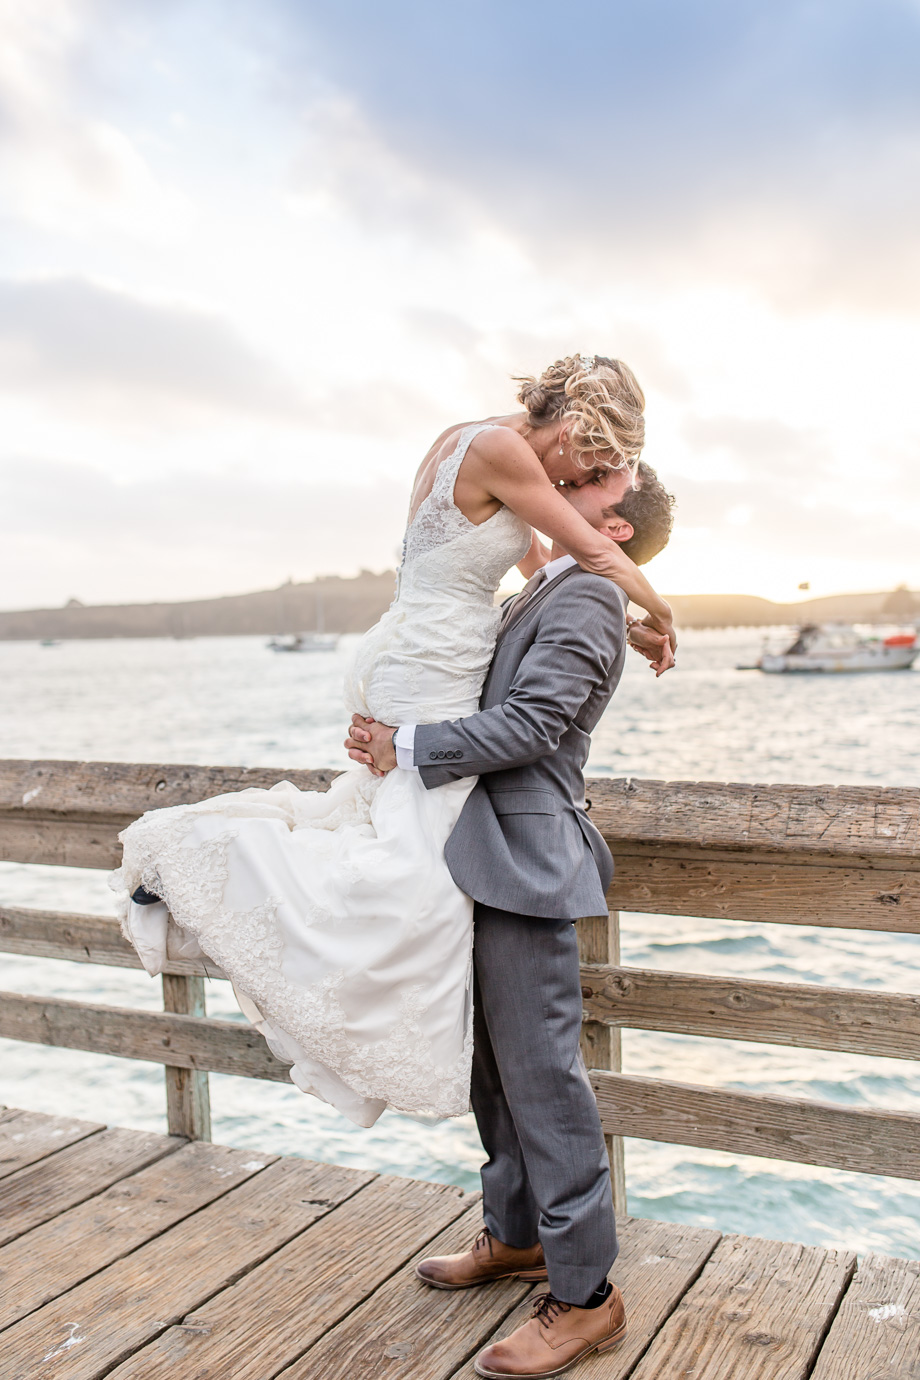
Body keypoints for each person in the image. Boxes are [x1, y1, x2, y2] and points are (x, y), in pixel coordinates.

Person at [111, 354, 675, 1132]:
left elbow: (548, 562)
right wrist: (669, 616)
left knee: (386, 834)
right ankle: (203, 857)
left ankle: (219, 862)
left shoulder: (478, 442)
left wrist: (622, 617)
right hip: (432, 666)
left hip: (411, 651)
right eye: (597, 457)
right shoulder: (506, 452)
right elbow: (601, 553)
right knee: (411, 880)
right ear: (577, 426)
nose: (591, 475)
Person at [345, 459, 674, 1379]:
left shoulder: (586, 601)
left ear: (612, 527)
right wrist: (390, 727)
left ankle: (585, 1298)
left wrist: (405, 744)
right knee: (495, 1068)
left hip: (529, 861)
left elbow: (532, 726)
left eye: (587, 492)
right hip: (477, 849)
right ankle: (517, 1235)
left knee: (544, 1081)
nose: (556, 488)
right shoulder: (550, 587)